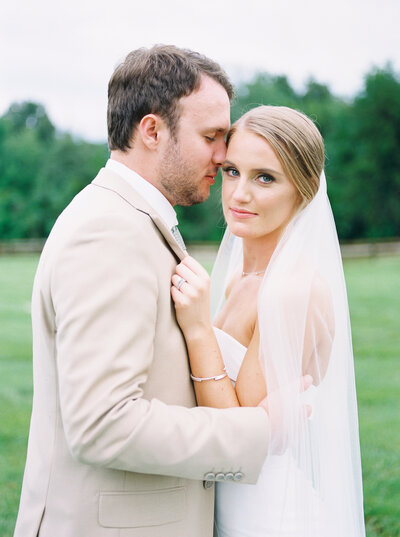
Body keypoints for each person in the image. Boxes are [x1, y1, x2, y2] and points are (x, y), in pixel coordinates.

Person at [13, 46, 271, 537]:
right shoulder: (108, 232)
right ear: (152, 131)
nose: (224, 156)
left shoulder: (132, 218)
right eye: (212, 137)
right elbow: (103, 423)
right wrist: (255, 431)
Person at [171, 105, 366, 536]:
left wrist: (198, 327)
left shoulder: (292, 290)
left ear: (305, 190)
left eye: (265, 178)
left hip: (268, 516)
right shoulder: (242, 273)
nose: (239, 194)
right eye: (232, 171)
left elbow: (240, 436)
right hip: (227, 501)